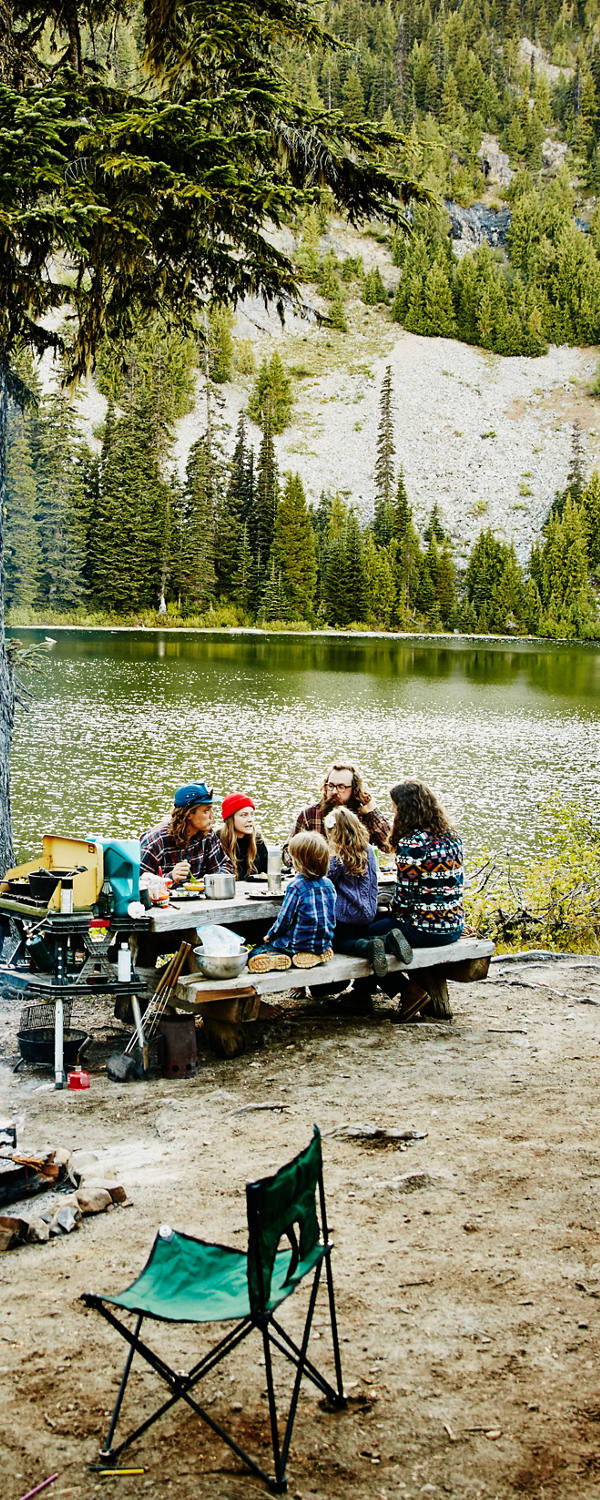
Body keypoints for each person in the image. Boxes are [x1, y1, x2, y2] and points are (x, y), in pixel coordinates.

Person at [377, 778, 464, 1018]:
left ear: (404, 810)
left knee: (363, 939)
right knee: (377, 930)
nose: (392, 811)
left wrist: (388, 913)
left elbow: (404, 903)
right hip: (454, 925)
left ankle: (407, 992)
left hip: (424, 928)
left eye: (394, 807)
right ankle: (407, 992)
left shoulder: (411, 843)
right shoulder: (451, 837)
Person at [326, 807, 412, 978]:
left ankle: (370, 946)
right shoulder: (369, 851)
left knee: (339, 943)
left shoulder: (337, 855)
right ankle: (387, 941)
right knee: (359, 935)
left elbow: (326, 882)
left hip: (345, 916)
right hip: (368, 913)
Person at [248, 831, 335, 972]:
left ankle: (280, 956)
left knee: (255, 952)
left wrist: (271, 935)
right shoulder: (329, 884)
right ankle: (317, 955)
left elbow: (284, 920)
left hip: (297, 945)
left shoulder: (296, 886)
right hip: (323, 943)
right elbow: (330, 916)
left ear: (299, 862)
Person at [140, 781, 234, 883]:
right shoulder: (157, 841)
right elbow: (136, 883)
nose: (212, 815)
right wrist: (170, 878)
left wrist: (209, 880)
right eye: (206, 811)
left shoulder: (207, 834)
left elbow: (226, 866)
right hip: (163, 898)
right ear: (188, 814)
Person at [288, 758, 390, 850]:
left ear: (354, 789)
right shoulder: (310, 814)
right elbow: (287, 853)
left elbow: (389, 847)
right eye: (331, 786)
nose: (334, 792)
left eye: (341, 787)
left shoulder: (364, 816)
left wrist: (372, 811)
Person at [218, 793, 268, 879]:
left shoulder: (258, 840)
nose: (250, 820)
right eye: (244, 815)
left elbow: (266, 873)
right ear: (230, 819)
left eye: (252, 814)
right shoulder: (217, 840)